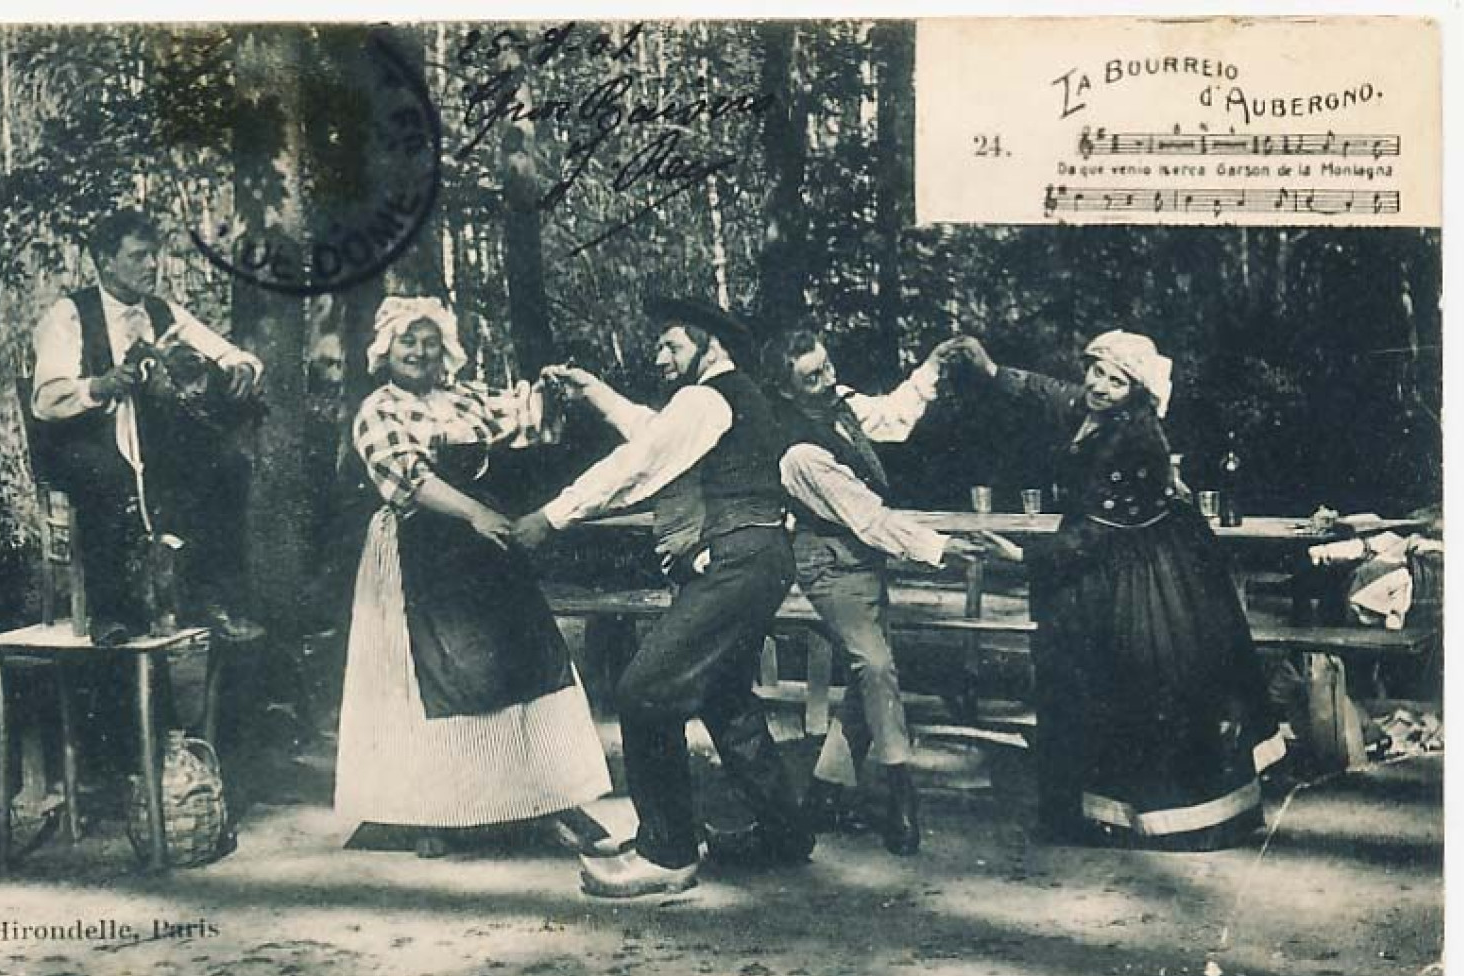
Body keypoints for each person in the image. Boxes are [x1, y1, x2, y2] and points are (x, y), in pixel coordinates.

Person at [515, 297, 812, 898]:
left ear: (710, 344)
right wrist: (593, 389)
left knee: (645, 691)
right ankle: (784, 833)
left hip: (735, 559)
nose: (659, 355)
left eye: (671, 344)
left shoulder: (706, 398)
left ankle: (667, 854)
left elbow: (639, 461)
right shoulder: (731, 396)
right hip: (757, 557)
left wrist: (552, 515)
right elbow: (655, 433)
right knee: (725, 695)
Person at [951, 331, 1285, 849]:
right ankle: (1086, 812)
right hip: (1105, 557)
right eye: (1096, 371)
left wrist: (1021, 556)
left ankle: (1151, 817)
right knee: (1082, 678)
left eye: (1117, 380)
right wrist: (992, 371)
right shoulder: (1090, 410)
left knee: (1134, 681)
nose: (1100, 385)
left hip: (1138, 567)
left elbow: (1098, 534)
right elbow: (1046, 392)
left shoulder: (1134, 437)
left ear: (1137, 391)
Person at [335, 296, 614, 859]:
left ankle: (552, 796)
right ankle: (432, 812)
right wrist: (473, 512)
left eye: (428, 341)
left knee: (530, 660)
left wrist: (556, 387)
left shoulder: (465, 397)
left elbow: (524, 418)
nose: (417, 351)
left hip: (486, 547)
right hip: (421, 545)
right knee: (430, 676)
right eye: (406, 342)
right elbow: (409, 478)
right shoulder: (378, 410)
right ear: (385, 350)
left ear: (446, 350)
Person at [767, 329, 980, 855]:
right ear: (788, 390)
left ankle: (822, 793)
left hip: (863, 561)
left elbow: (892, 415)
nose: (829, 379)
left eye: (827, 365)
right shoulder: (799, 452)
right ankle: (900, 796)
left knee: (871, 676)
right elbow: (868, 517)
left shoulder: (840, 404)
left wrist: (931, 364)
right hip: (829, 564)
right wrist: (941, 547)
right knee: (877, 666)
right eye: (812, 377)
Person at [31, 208, 262, 645]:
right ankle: (111, 613)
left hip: (150, 446)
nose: (152, 265)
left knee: (228, 466)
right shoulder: (70, 314)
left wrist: (241, 367)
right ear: (105, 259)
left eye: (153, 255)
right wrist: (98, 386)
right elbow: (46, 398)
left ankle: (210, 596)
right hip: (81, 441)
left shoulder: (161, 311)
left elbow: (226, 350)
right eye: (138, 256)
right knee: (105, 474)